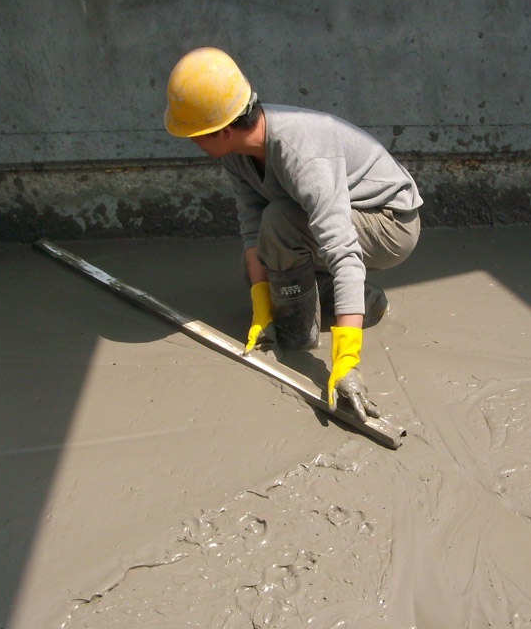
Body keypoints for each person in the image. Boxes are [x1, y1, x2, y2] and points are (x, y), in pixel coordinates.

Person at [164, 47, 422, 423]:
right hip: (348, 218)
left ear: (222, 129)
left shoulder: (302, 154)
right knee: (259, 259)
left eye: (196, 134)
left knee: (281, 224)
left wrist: (346, 362)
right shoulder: (237, 152)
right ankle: (357, 301)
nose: (192, 142)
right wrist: (261, 309)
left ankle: (301, 332)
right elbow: (252, 230)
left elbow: (343, 252)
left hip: (390, 224)